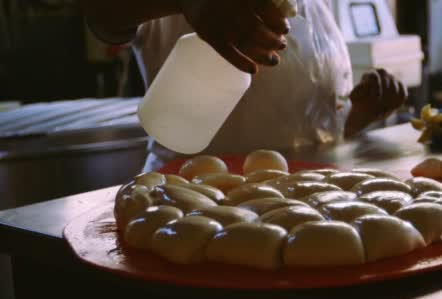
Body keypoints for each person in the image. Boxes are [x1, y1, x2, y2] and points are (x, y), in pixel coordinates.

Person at [82, 0, 407, 171]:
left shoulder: (317, 6)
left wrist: (359, 114)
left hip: (302, 209)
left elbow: (299, 128)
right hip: (190, 205)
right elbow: (102, 15)